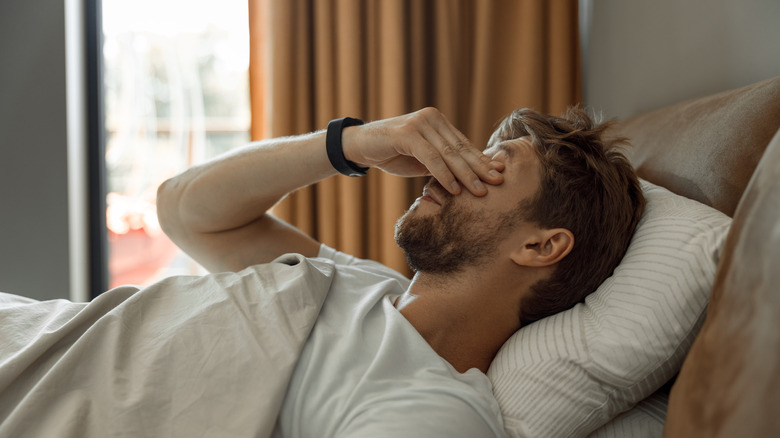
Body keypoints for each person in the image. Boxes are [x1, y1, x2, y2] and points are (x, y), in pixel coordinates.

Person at [153, 105, 646, 437]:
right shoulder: (369, 285)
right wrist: (350, 144)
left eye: (492, 166)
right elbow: (184, 213)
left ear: (541, 245)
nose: (444, 172)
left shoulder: (430, 410)